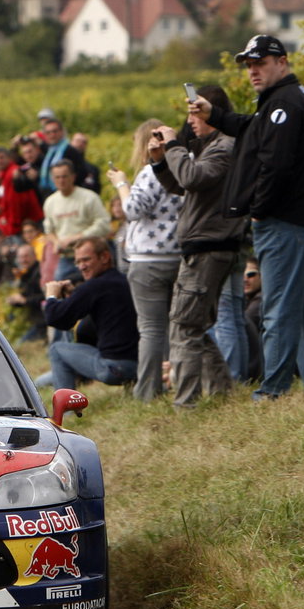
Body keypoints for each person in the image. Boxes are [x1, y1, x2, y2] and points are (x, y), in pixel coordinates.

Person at [192, 34, 304, 399]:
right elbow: (255, 130)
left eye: (261, 63)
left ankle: (273, 389)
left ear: (282, 62)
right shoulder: (284, 100)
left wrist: (258, 210)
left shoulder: (282, 104)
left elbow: (275, 165)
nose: (253, 70)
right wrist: (218, 116)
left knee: (279, 310)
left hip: (286, 222)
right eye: (249, 65)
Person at [156, 84, 245, 406]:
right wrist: (160, 161)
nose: (190, 121)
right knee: (195, 325)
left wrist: (174, 145)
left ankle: (186, 403)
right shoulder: (212, 146)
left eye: (195, 114)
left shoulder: (225, 147)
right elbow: (183, 186)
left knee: (183, 326)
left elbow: (192, 177)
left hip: (209, 247)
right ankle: (222, 392)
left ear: (212, 111)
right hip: (207, 246)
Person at [107, 118, 183, 402]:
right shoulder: (182, 169)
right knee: (176, 325)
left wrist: (121, 182)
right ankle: (177, 379)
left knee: (151, 329)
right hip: (177, 255)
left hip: (147, 259)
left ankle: (148, 391)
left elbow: (132, 209)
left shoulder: (150, 174)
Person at [34, 238, 139, 391]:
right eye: (77, 262)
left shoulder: (94, 286)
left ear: (104, 257)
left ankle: (66, 410)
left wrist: (51, 297)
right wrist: (74, 297)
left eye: (86, 260)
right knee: (41, 381)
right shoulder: (124, 280)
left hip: (113, 368)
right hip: (139, 367)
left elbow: (55, 318)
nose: (81, 267)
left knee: (56, 349)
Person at [41, 160, 110, 284]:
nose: (61, 180)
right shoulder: (50, 202)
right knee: (60, 291)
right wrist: (57, 242)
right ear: (52, 179)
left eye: (64, 176)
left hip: (90, 256)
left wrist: (78, 237)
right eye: (57, 177)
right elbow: (49, 231)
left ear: (73, 177)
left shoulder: (89, 197)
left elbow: (104, 224)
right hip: (66, 257)